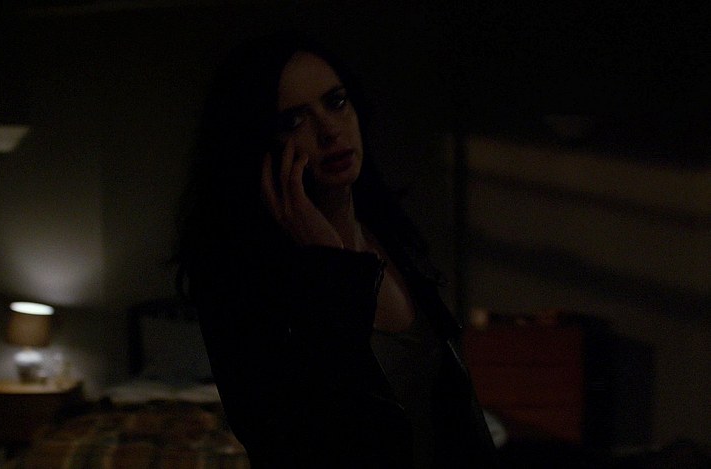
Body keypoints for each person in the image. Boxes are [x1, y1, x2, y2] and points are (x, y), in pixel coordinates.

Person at [175, 32, 498, 468]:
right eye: (293, 121)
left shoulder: (391, 234)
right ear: (258, 144)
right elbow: (305, 441)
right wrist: (327, 270)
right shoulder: (241, 280)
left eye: (337, 102)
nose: (330, 131)